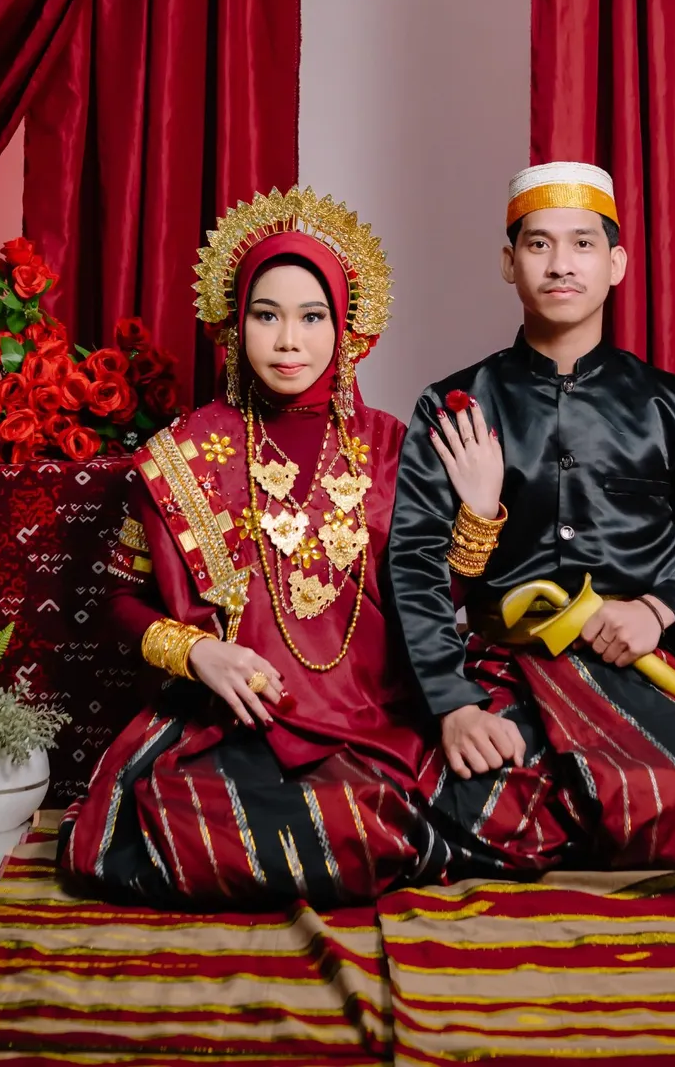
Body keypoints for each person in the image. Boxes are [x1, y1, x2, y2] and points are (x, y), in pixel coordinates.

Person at [60, 187, 447, 907]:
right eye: (266, 316)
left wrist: (479, 515)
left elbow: (444, 596)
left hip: (378, 717)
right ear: (234, 323)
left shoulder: (393, 447)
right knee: (177, 822)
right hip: (234, 719)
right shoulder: (180, 456)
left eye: (312, 316)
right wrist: (197, 653)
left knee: (419, 805)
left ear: (347, 325)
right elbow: (116, 600)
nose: (288, 340)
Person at [388, 162, 675, 874]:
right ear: (509, 263)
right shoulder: (456, 407)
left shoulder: (673, 406)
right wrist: (452, 703)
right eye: (538, 244)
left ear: (615, 264)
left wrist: (656, 610)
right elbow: (412, 563)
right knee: (461, 793)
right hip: (500, 663)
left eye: (582, 244)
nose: (560, 264)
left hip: (633, 664)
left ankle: (575, 809)